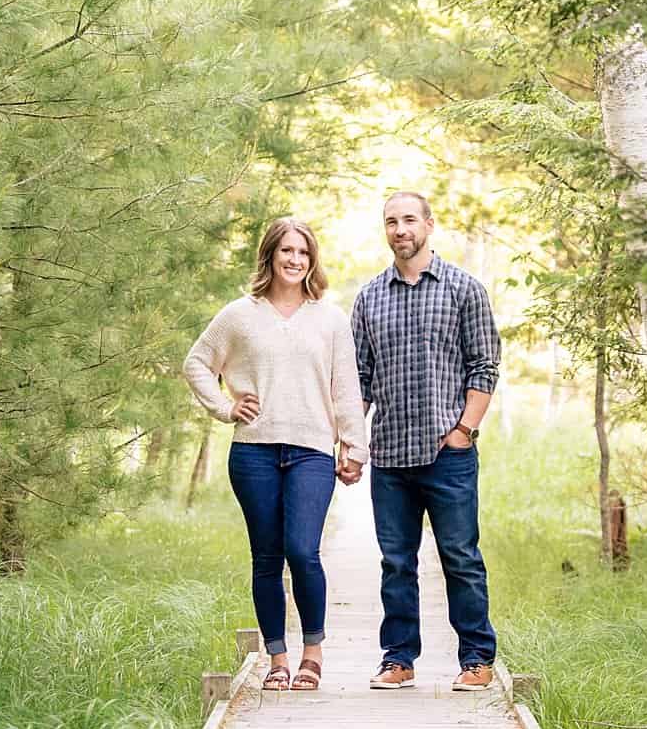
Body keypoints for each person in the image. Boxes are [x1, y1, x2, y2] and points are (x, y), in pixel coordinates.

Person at [183, 217, 368, 692]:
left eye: (303, 252)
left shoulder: (329, 318)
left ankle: (313, 652)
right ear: (270, 255)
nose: (295, 260)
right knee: (266, 557)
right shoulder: (239, 315)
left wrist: (354, 447)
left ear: (312, 260)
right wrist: (226, 408)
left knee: (303, 551)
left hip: (311, 452)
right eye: (286, 250)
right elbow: (197, 363)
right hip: (254, 453)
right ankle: (277, 659)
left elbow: (346, 389)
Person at [349, 191, 501, 691]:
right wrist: (350, 442)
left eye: (409, 220)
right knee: (396, 563)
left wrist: (464, 431)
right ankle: (399, 658)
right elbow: (360, 380)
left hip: (447, 454)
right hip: (390, 457)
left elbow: (484, 365)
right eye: (391, 222)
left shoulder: (464, 289)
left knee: (460, 557)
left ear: (429, 225)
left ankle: (476, 659)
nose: (400, 230)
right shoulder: (369, 297)